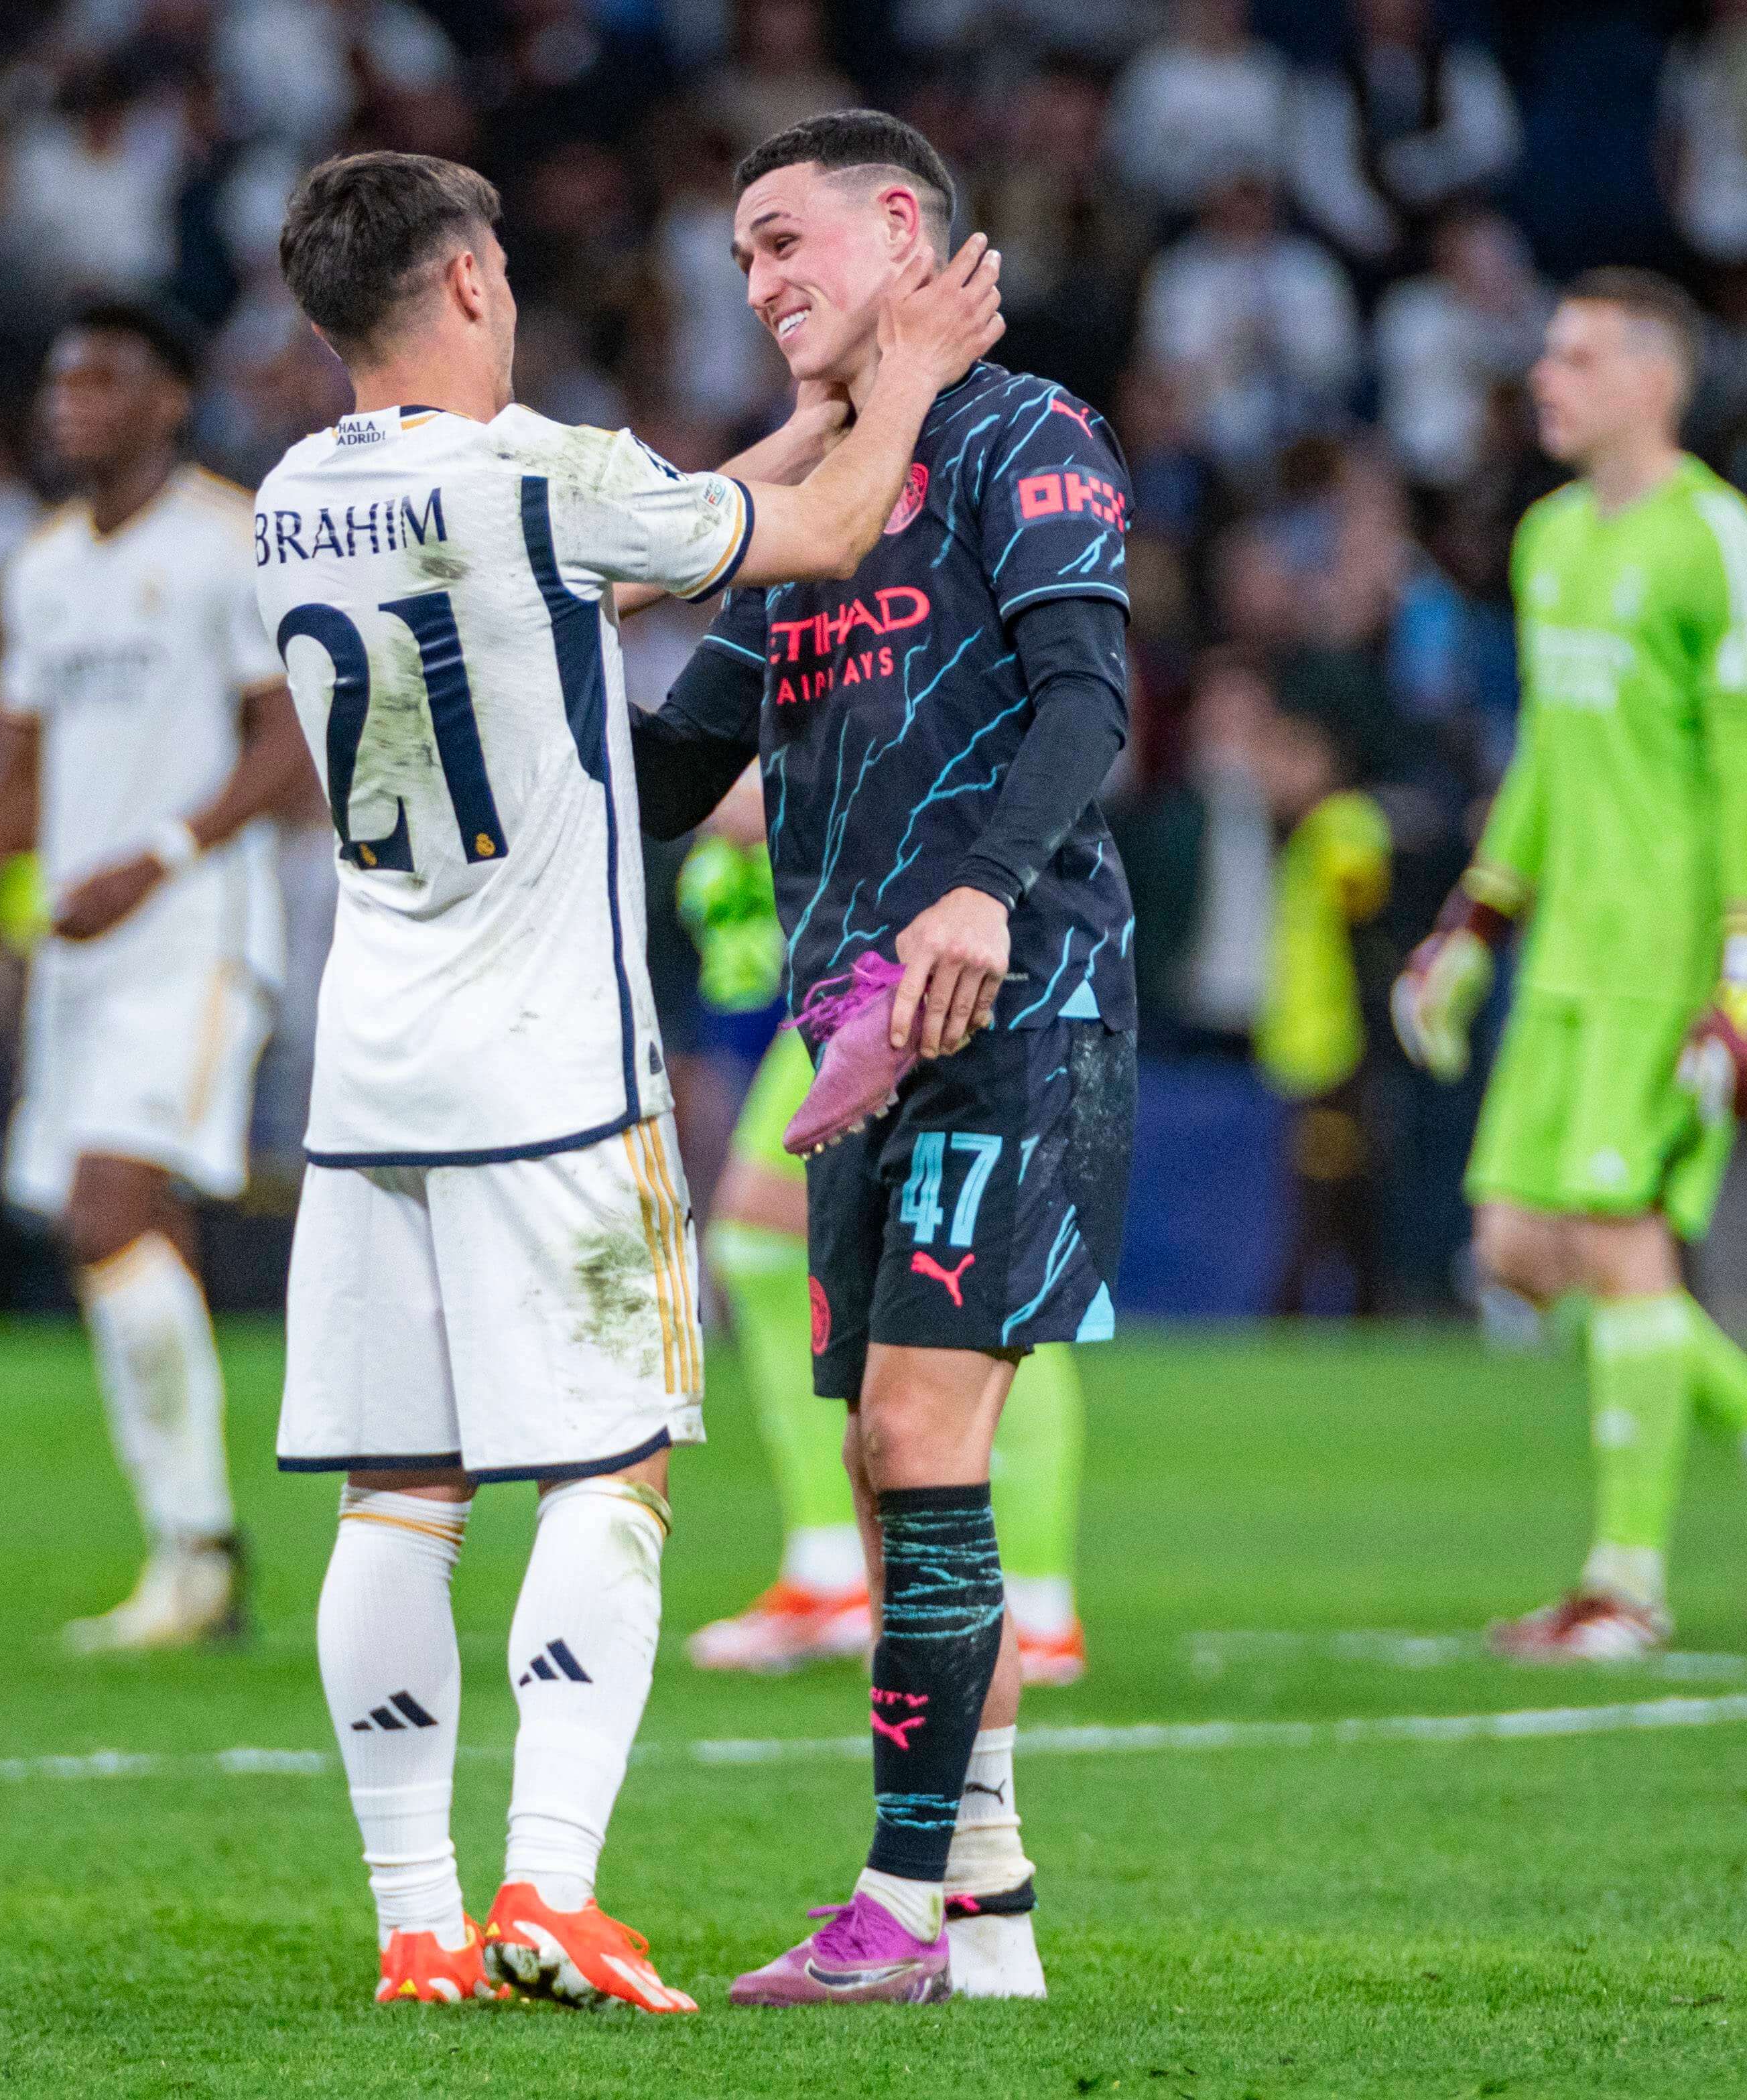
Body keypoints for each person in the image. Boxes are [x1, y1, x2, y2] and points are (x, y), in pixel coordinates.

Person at [253, 148, 998, 2012]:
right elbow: (815, 537)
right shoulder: (535, 475)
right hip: (551, 1077)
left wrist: (803, 414)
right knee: (613, 1466)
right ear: (470, 290)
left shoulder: (290, 498)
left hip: (370, 1076)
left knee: (395, 1494)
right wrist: (900, 373)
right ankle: (553, 1888)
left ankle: (414, 1917)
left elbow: (668, 517)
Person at [629, 109, 1137, 2008]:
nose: (757, 284)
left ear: (900, 227)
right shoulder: (823, 496)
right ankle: (985, 1912)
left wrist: (988, 889)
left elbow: (1087, 691)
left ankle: (892, 1909)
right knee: (883, 1464)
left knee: (918, 1444)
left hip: (1014, 1004)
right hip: (855, 1027)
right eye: (741, 255)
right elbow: (687, 753)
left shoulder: (1025, 436)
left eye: (784, 241)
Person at [1390, 269, 1747, 1662]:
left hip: (1664, 952)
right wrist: (1472, 925)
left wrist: (1745, 972)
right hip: (1563, 954)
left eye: (1581, 357)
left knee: (1616, 1239)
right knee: (1514, 1246)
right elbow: (1545, 750)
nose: (1549, 378)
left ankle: (1627, 1584)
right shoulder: (1548, 540)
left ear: (1657, 381)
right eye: (1549, 354)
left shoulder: (1722, 542)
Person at [0, 300, 311, 1652]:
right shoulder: (42, 564)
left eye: (107, 379)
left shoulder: (229, 539)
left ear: (171, 399)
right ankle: (192, 1558)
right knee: (125, 1236)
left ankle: (199, 1546)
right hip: (80, 944)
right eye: (63, 379)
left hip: (193, 934)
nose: (73, 401)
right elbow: (20, 756)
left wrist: (162, 853)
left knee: (104, 1206)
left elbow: (288, 739)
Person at [680, 815, 1091, 1685]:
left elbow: (775, 784)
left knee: (974, 1249)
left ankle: (1031, 1601)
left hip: (947, 924)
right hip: (862, 939)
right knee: (760, 1238)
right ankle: (833, 1570)